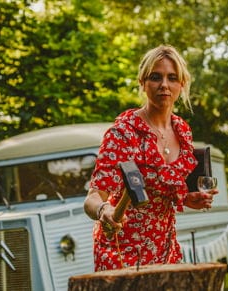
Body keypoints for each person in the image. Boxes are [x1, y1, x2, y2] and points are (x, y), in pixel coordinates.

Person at [83, 45, 217, 271]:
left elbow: (164, 190)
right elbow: (93, 198)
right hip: (121, 253)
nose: (164, 85)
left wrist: (186, 198)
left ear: (181, 84)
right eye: (156, 77)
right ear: (142, 82)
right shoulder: (123, 133)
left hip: (165, 249)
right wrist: (104, 211)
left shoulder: (183, 132)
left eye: (172, 78)